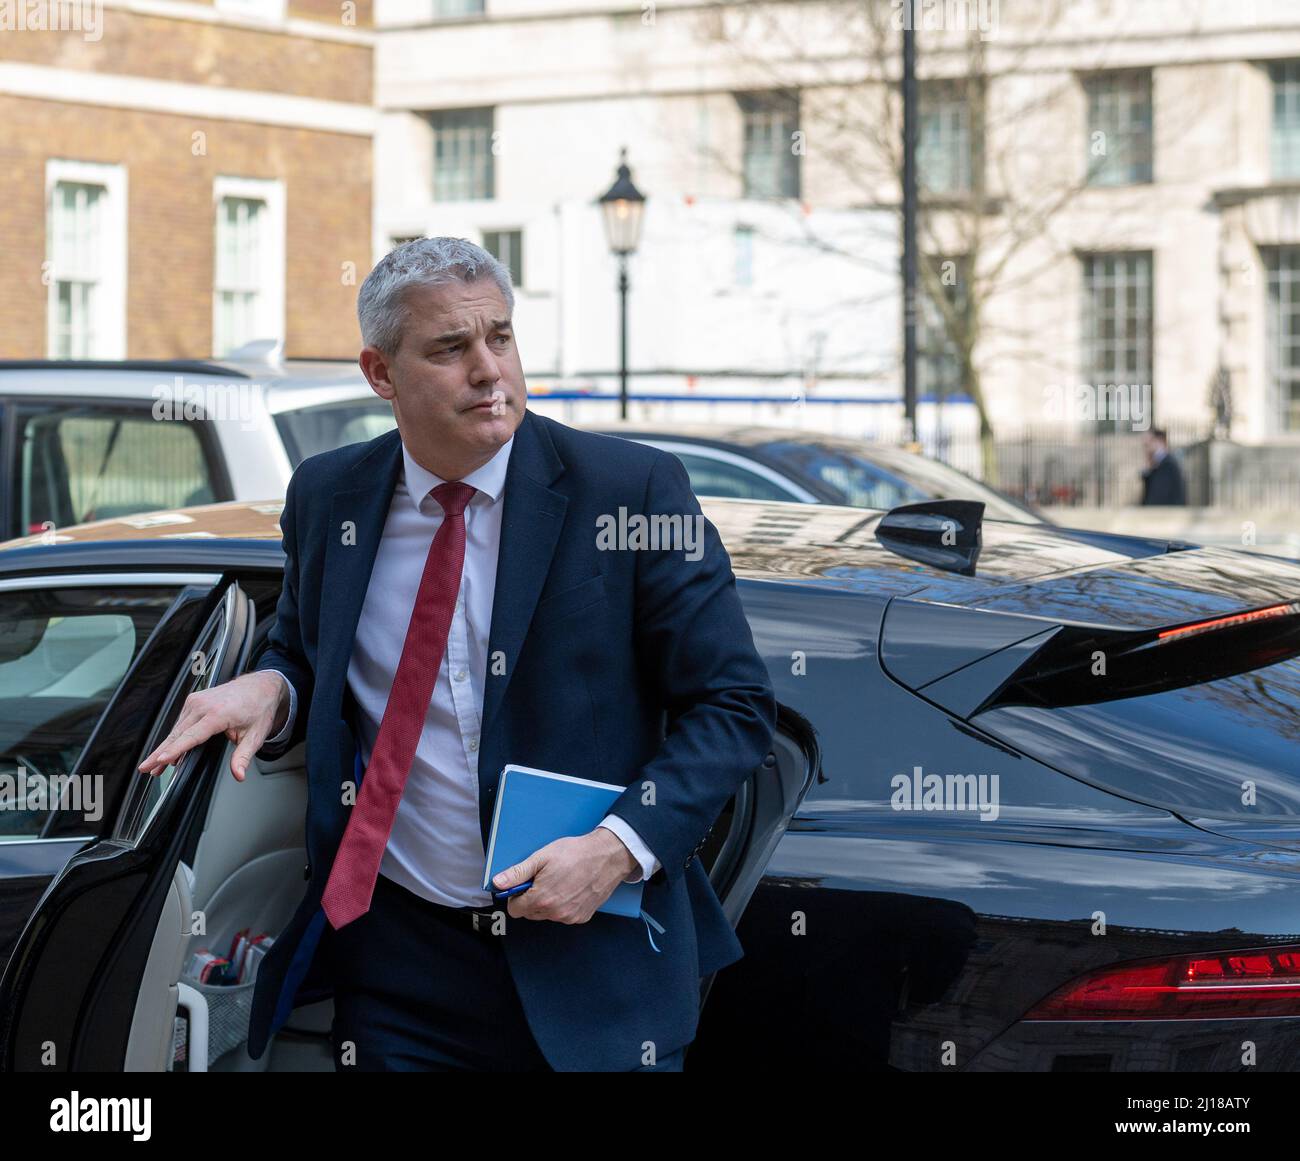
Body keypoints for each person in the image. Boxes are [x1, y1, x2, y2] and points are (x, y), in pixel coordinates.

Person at [138, 237, 776, 1072]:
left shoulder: (630, 492)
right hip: (399, 960)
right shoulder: (330, 494)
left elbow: (733, 707)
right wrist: (273, 687)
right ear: (381, 372)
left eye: (500, 338)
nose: (489, 370)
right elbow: (305, 647)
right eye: (451, 348)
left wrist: (618, 846)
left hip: (593, 966)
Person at [1140, 428, 1186, 506]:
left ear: (1160, 441)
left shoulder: (1167, 465)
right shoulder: (1159, 464)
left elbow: (1157, 498)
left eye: (1148, 443)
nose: (1146, 448)